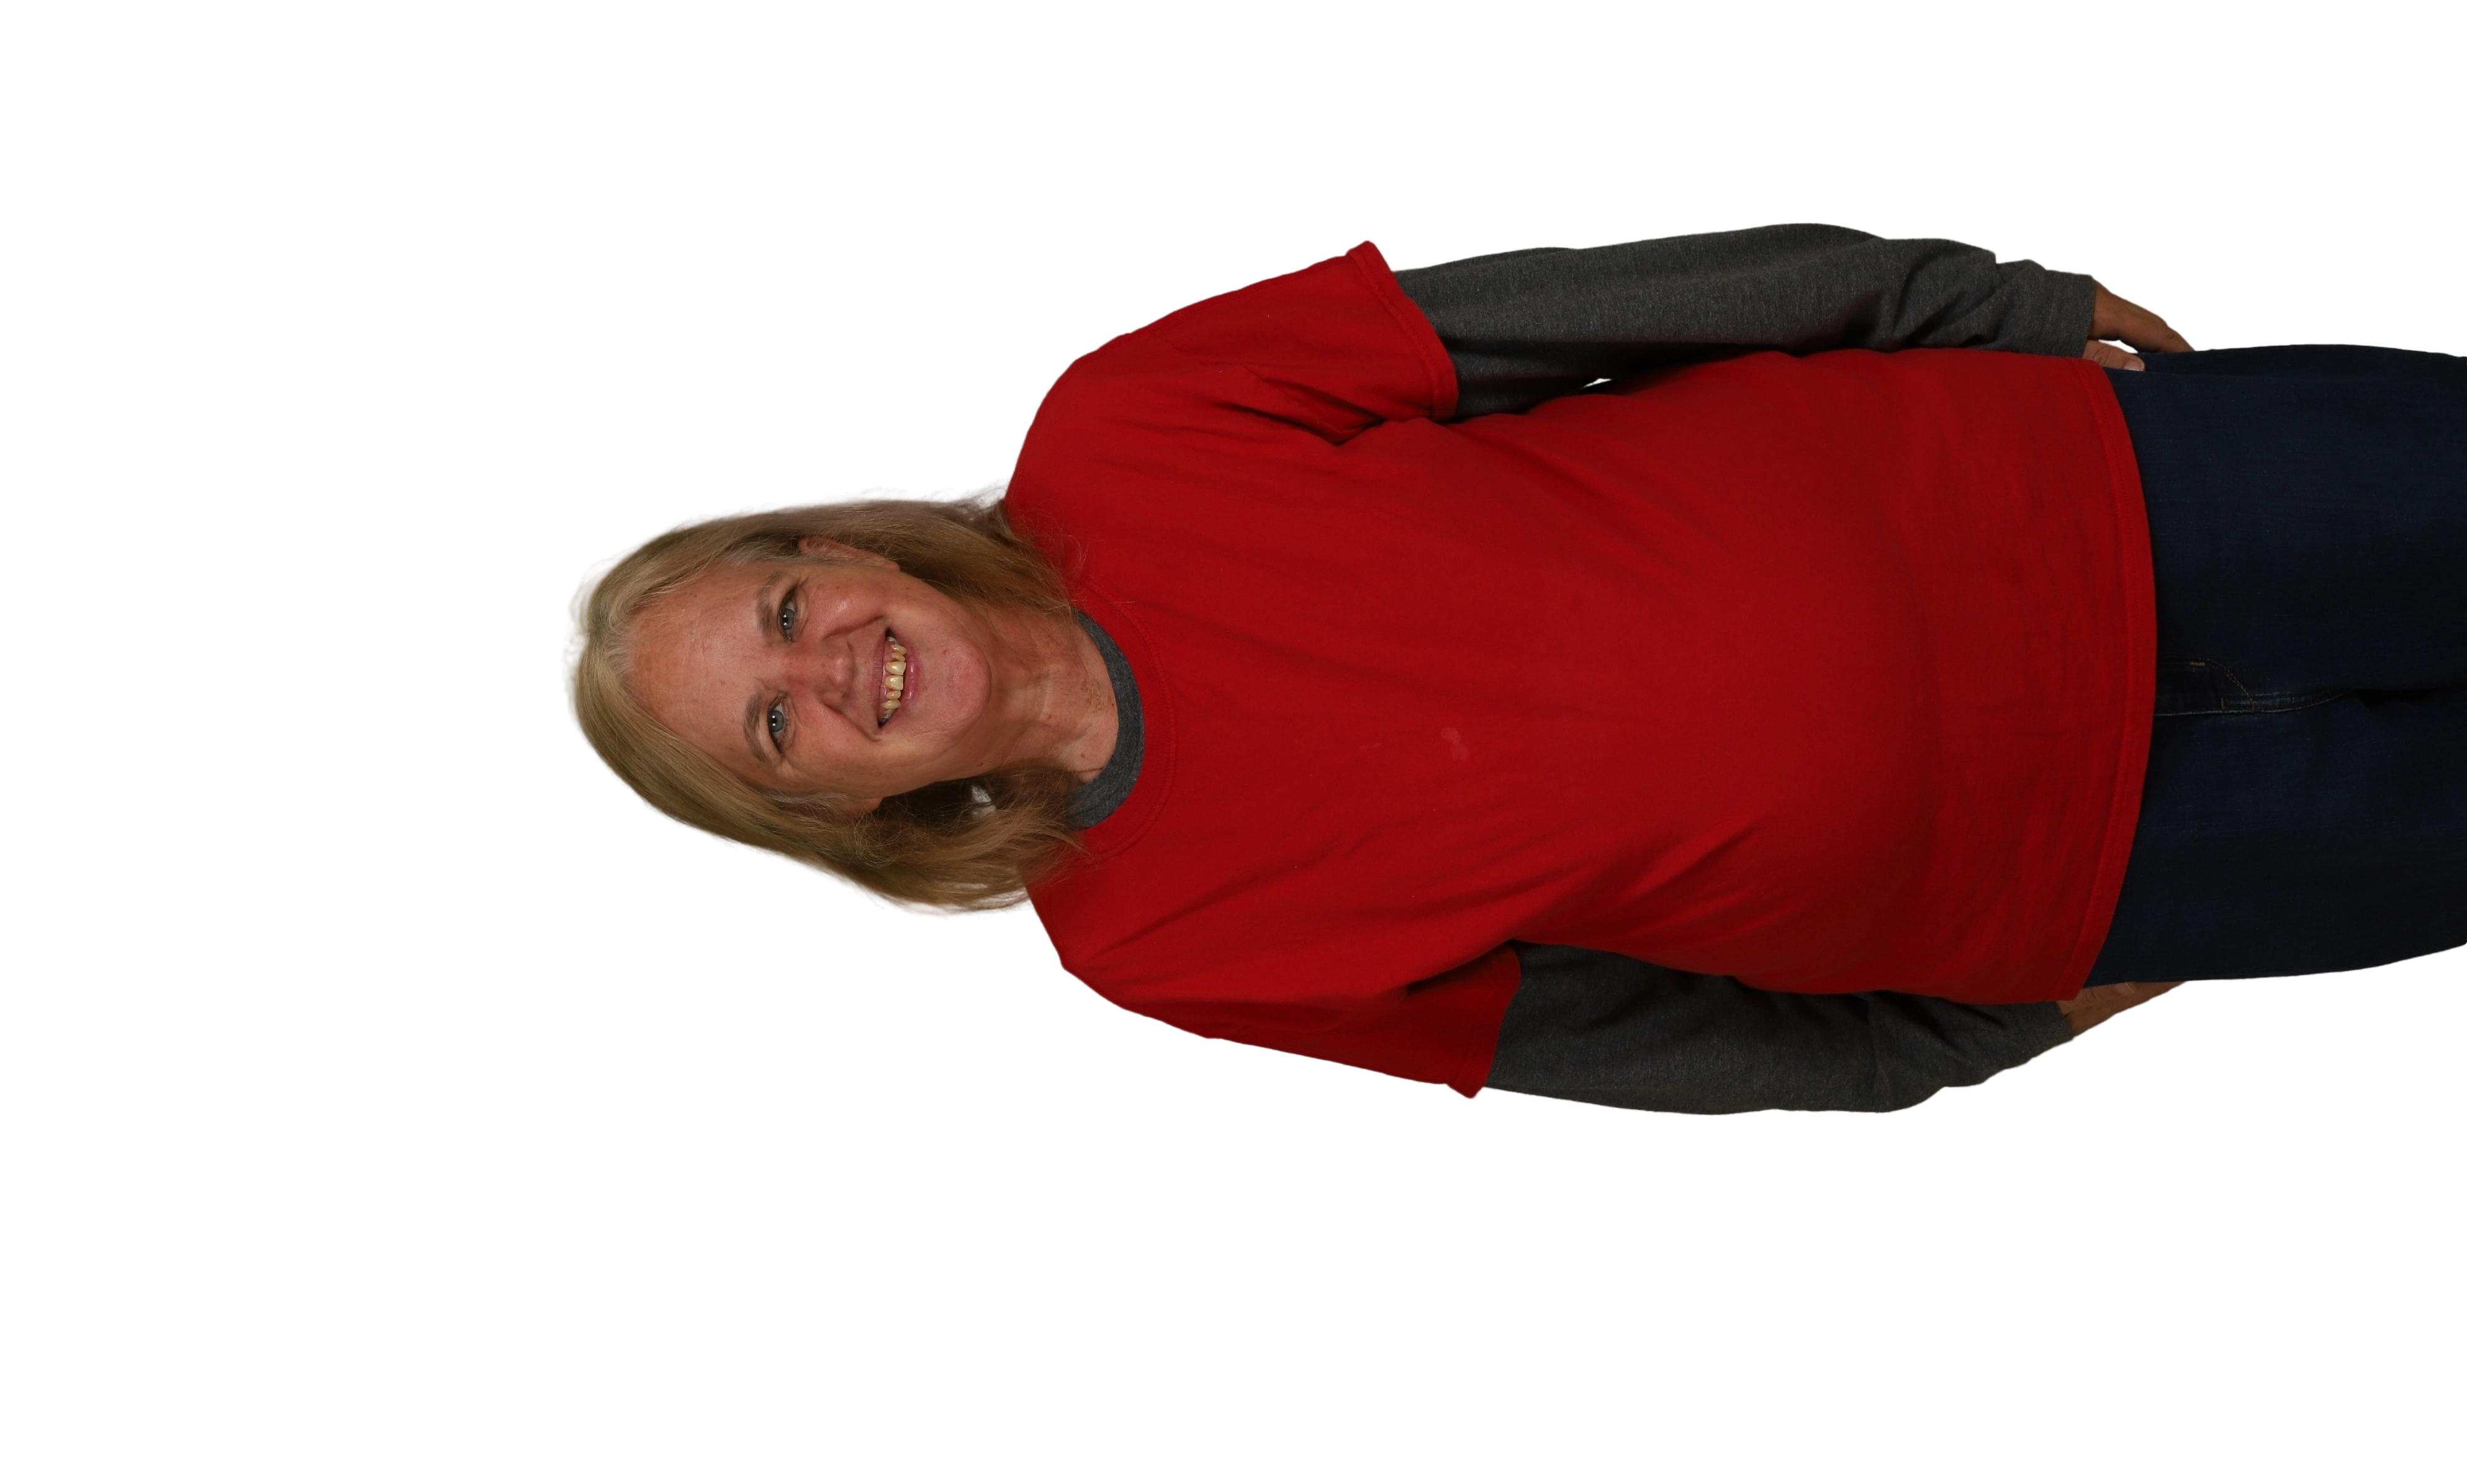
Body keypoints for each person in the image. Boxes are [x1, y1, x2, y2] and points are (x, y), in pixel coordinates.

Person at [558, 221, 2467, 1115]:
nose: (834, 672)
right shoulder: (1153, 949)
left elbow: (1601, 312)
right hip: (2134, 863)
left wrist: (1990, 303)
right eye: (775, 727)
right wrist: (1964, 1039)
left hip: (2134, 499)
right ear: (828, 814)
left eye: (786, 610)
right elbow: (1609, 1040)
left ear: (843, 547)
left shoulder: (1126, 423)